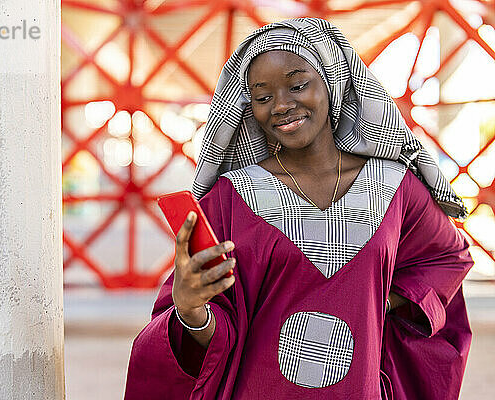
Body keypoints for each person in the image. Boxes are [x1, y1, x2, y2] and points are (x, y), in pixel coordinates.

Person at [124, 18, 473, 400]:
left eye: (298, 85)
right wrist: (190, 310)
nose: (282, 106)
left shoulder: (394, 186)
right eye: (262, 96)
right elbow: (218, 335)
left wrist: (379, 301)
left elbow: (447, 258)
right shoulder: (230, 199)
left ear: (334, 81)